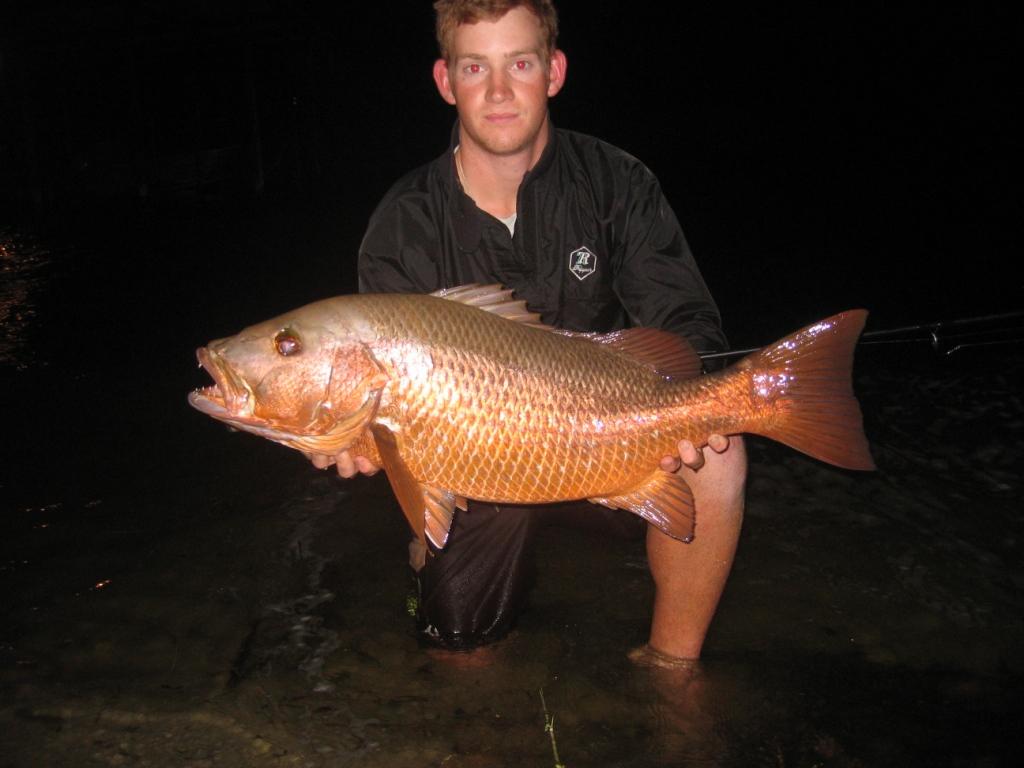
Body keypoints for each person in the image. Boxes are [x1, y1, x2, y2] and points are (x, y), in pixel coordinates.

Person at [310, 0, 747, 667]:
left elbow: (686, 324)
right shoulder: (404, 223)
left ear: (554, 71)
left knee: (719, 454)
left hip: (612, 440)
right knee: (458, 650)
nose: (498, 90)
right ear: (445, 81)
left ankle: (672, 672)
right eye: (474, 67)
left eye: (519, 63)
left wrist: (695, 405)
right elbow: (382, 396)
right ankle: (430, 561)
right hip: (480, 463)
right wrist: (351, 439)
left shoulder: (618, 183)